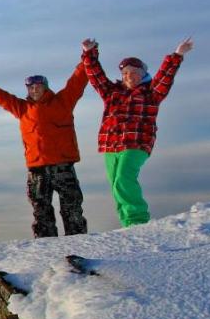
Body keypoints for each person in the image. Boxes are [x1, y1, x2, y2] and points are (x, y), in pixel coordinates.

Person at [80, 36, 194, 227]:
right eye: (125, 73)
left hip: (136, 143)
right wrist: (89, 52)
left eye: (133, 72)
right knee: (116, 185)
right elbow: (95, 76)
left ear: (143, 74)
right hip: (111, 145)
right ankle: (127, 224)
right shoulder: (111, 92)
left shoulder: (152, 93)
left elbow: (165, 77)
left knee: (124, 178)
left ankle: (138, 221)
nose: (129, 76)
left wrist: (177, 55)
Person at [0, 62, 88, 238]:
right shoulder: (22, 108)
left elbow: (77, 81)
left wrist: (88, 56)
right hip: (37, 170)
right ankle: (44, 246)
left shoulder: (63, 101)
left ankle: (78, 243)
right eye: (31, 87)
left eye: (38, 86)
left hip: (63, 167)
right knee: (41, 211)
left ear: (45, 87)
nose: (34, 90)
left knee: (72, 208)